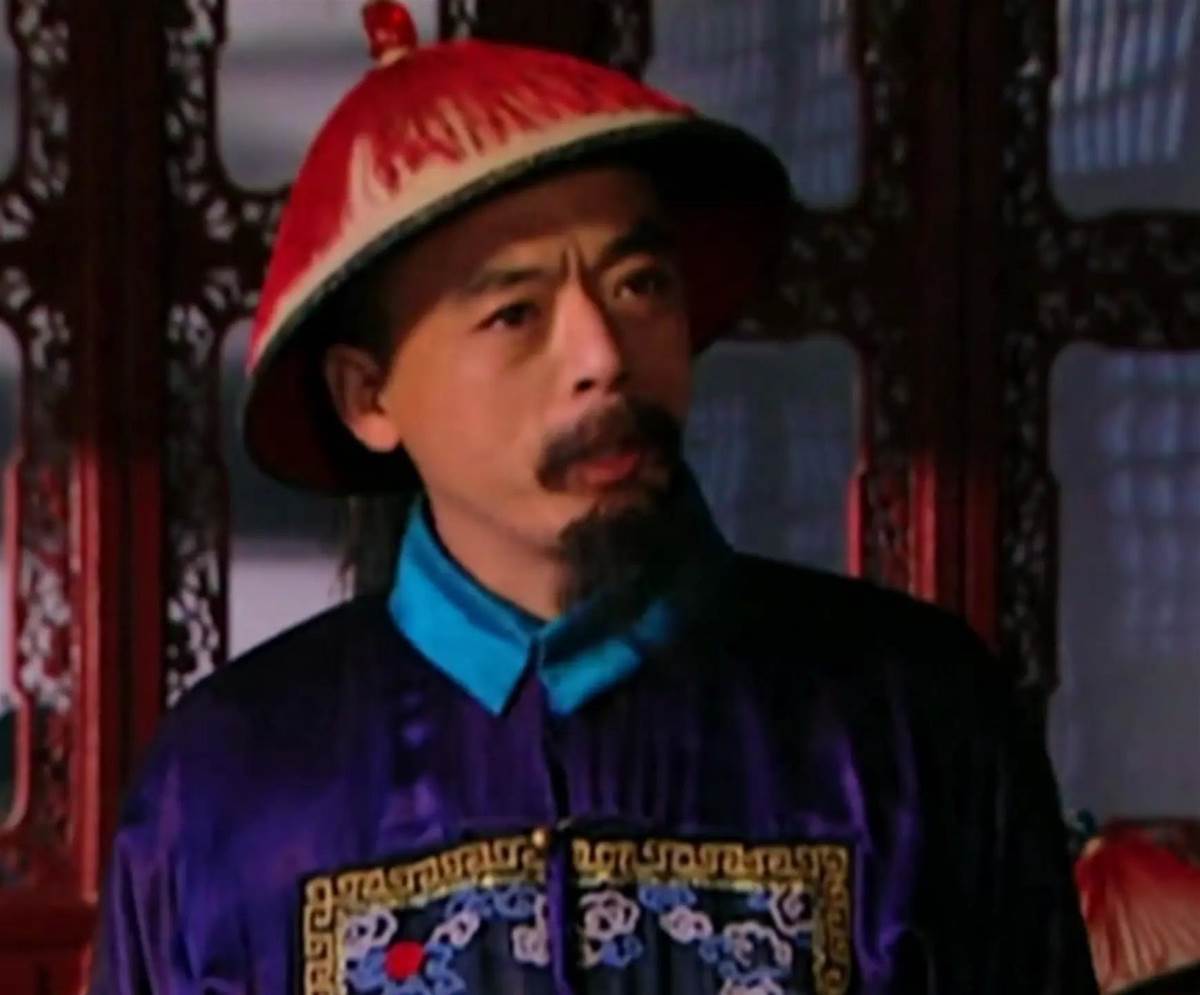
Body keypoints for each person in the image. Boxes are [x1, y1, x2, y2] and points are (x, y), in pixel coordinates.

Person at [90, 4, 1098, 993]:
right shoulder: (227, 785)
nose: (603, 356)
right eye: (515, 313)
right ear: (369, 397)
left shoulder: (910, 721)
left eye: (639, 285)